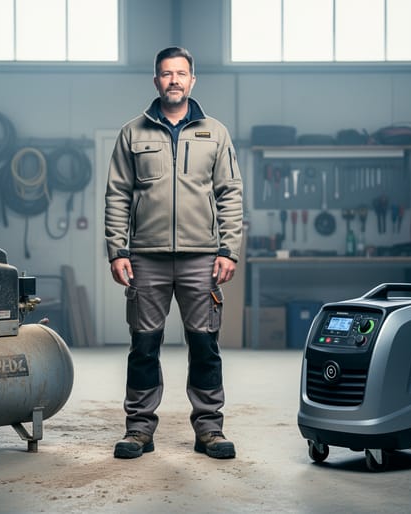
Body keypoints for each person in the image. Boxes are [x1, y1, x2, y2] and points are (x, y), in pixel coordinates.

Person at [104, 46, 243, 460]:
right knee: (144, 344)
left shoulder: (214, 133)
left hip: (202, 257)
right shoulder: (133, 133)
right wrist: (118, 249)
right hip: (147, 257)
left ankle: (209, 429)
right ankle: (139, 429)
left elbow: (230, 194)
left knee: (204, 344)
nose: (174, 80)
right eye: (166, 74)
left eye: (181, 73)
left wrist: (228, 249)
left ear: (192, 80)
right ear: (156, 81)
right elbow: (117, 195)